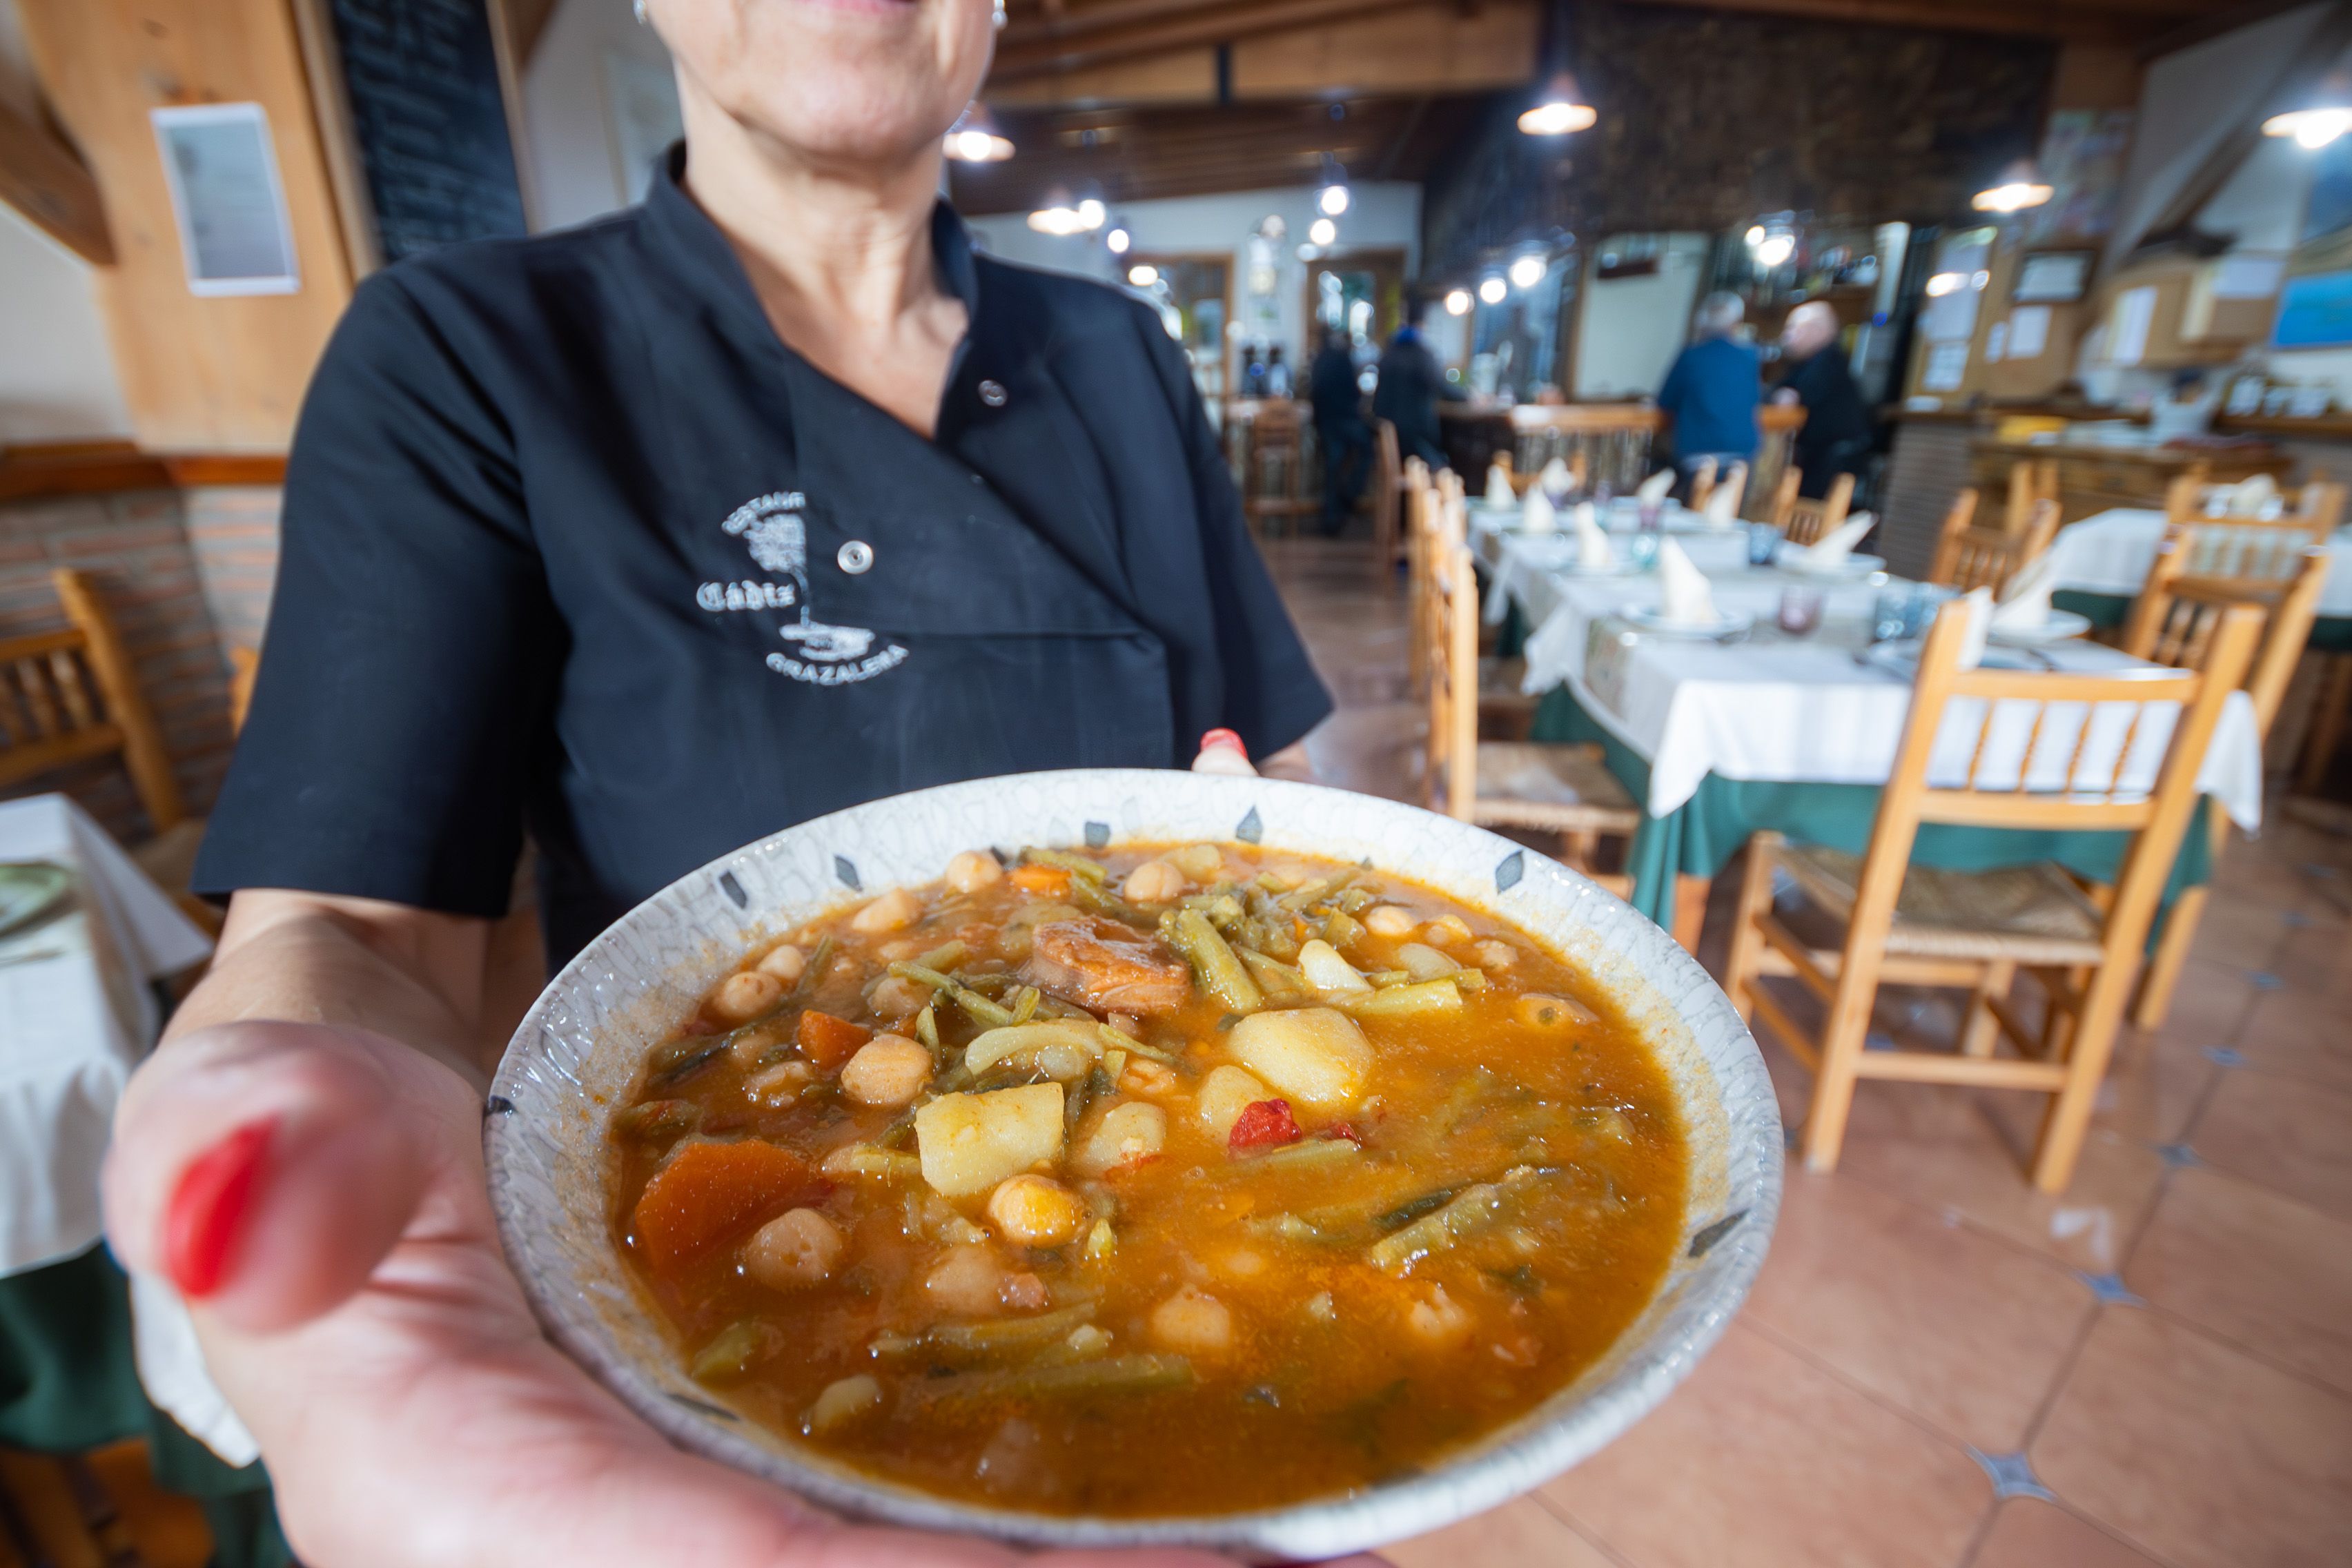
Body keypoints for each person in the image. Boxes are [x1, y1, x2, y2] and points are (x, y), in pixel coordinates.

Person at [100, 2, 1350, 1565]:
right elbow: (349, 928)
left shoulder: (1114, 351)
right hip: (686, 1370)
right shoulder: (465, 352)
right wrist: (285, 1070)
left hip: (1216, 1331)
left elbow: (1274, 778)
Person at [1656, 291, 1761, 486]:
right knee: (1730, 514)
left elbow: (1665, 402)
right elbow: (1754, 399)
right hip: (1742, 453)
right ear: (1736, 323)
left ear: (1703, 322)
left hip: (1699, 451)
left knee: (1695, 514)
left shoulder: (1692, 357)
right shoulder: (1750, 357)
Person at [1771, 300, 1870, 498]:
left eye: (1793, 328)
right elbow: (1779, 392)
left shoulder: (1828, 362)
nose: (1786, 336)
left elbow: (1795, 399)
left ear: (1818, 331)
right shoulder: (1810, 362)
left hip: (1829, 465)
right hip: (1821, 461)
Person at [1371, 295, 1464, 469]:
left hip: (1389, 432)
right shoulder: (1423, 356)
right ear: (1422, 326)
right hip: (1414, 439)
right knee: (1444, 468)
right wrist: (1469, 396)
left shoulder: (1388, 353)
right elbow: (1442, 387)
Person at [1309, 328, 1370, 536]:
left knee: (1333, 469)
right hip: (1347, 420)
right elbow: (1354, 392)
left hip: (1327, 422)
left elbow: (1315, 392)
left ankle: (1331, 519)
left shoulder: (1320, 358)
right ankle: (1350, 495)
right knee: (1368, 451)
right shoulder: (1344, 357)